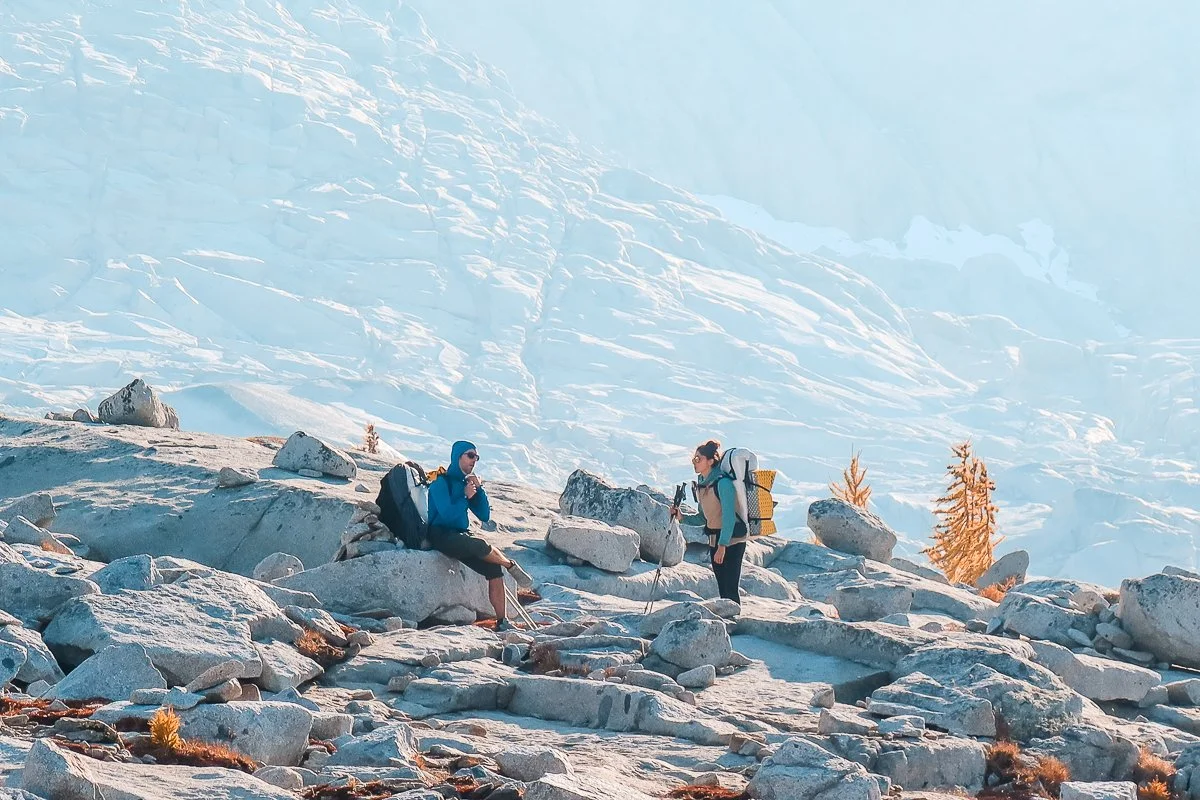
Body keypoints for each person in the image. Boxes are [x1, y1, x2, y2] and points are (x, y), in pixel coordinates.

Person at [426, 439, 532, 630]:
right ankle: (510, 565)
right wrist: (465, 496)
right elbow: (447, 515)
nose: (474, 460)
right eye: (470, 455)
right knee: (479, 545)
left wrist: (479, 491)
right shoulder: (440, 483)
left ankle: (502, 622)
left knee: (493, 570)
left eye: (477, 457)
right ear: (457, 456)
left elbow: (484, 515)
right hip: (440, 535)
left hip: (460, 535)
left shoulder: (465, 484)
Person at [669, 439, 747, 604]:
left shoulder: (723, 483)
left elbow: (729, 517)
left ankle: (732, 620)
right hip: (714, 538)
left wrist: (722, 546)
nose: (694, 462)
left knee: (730, 588)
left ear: (710, 461)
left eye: (699, 459)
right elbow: (704, 517)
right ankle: (728, 621)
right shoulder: (703, 485)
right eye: (694, 459)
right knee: (722, 587)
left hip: (731, 539)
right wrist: (682, 517)